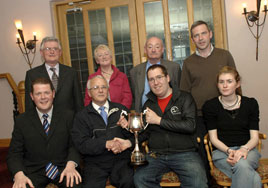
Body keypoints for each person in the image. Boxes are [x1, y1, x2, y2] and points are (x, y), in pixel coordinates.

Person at [132, 64, 207, 188]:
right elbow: (146, 132)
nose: (156, 83)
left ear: (168, 78)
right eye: (151, 79)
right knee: (140, 179)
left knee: (197, 182)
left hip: (185, 153)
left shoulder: (184, 98)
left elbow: (190, 126)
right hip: (156, 155)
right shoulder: (148, 103)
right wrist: (129, 137)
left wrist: (159, 120)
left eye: (159, 77)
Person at [180, 20, 237, 179]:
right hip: (199, 117)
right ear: (192, 40)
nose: (201, 38)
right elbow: (184, 93)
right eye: (196, 35)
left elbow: (235, 82)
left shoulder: (224, 55)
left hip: (226, 113)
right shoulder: (188, 63)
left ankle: (234, 180)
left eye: (203, 33)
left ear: (210, 34)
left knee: (228, 150)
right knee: (203, 154)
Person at [7, 77, 81, 188]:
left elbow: (75, 145)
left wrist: (71, 165)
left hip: (63, 169)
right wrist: (19, 175)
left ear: (53, 94)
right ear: (32, 96)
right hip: (34, 172)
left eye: (46, 93)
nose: (43, 97)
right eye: (38, 94)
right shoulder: (22, 121)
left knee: (74, 184)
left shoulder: (68, 116)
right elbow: (14, 153)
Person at [202, 66, 261, 188]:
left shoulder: (251, 104)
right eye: (221, 82)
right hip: (222, 153)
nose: (225, 85)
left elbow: (254, 137)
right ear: (217, 85)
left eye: (229, 81)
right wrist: (230, 151)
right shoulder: (210, 106)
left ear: (237, 84)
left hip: (248, 151)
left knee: (242, 166)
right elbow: (213, 139)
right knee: (251, 175)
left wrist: (243, 149)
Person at [72, 75, 135, 188]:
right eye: (96, 87)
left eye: (103, 87)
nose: (100, 90)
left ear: (108, 90)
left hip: (121, 160)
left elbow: (135, 136)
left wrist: (127, 133)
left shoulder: (121, 110)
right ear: (89, 93)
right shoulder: (81, 116)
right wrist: (105, 143)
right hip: (95, 163)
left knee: (129, 182)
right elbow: (81, 144)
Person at [25, 36, 83, 113]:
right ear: (41, 52)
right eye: (48, 49)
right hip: (44, 122)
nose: (52, 52)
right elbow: (29, 105)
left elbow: (78, 102)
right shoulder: (32, 75)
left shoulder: (71, 73)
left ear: (60, 52)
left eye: (55, 49)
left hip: (69, 121)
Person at [130, 36, 181, 112]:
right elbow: (135, 96)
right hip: (144, 114)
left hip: (169, 113)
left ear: (162, 49)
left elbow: (179, 91)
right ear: (145, 50)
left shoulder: (174, 68)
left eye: (157, 47)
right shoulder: (135, 71)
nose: (153, 50)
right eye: (150, 47)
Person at [84, 44, 132, 109]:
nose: (104, 57)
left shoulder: (122, 76)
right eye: (100, 55)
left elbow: (127, 98)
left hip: (119, 113)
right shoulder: (92, 78)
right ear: (97, 61)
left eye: (106, 54)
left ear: (111, 57)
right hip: (98, 114)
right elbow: (88, 99)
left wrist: (120, 112)